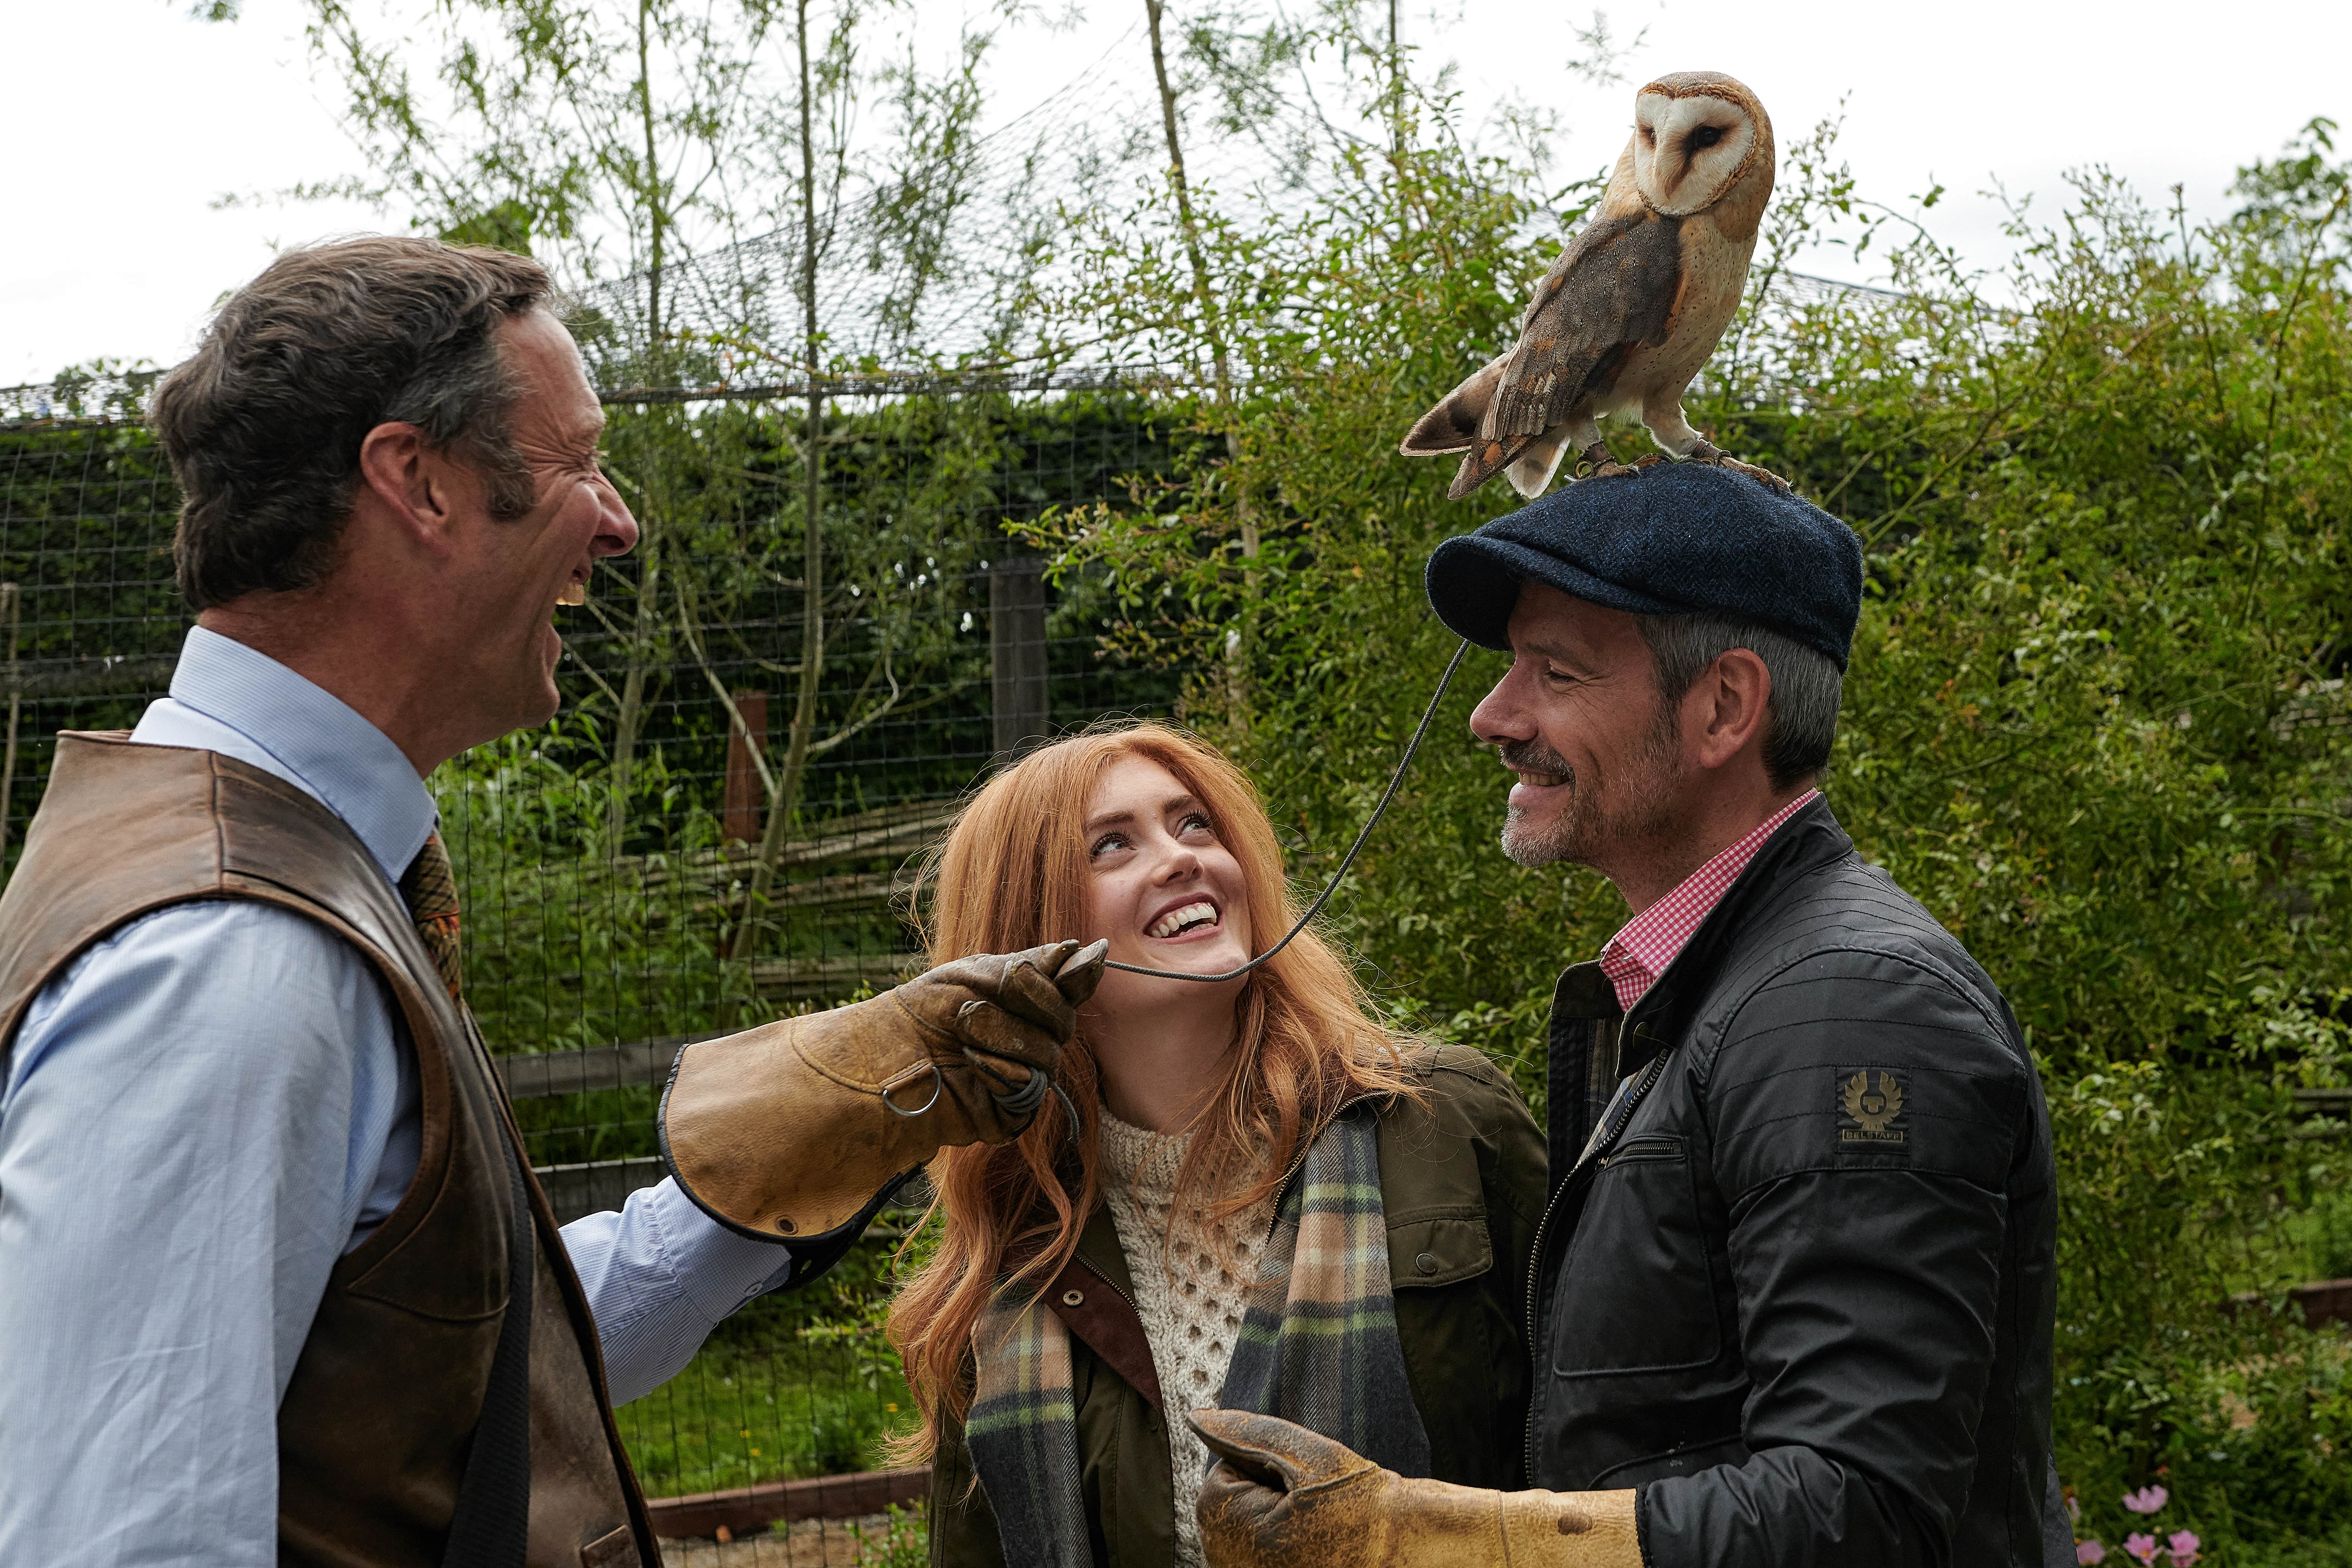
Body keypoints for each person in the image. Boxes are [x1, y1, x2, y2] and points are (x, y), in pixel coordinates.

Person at [0, 237, 1090, 1568]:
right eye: (579, 461)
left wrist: (767, 1178)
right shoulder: (227, 960)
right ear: (419, 482)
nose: (620, 520)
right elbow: (123, 1540)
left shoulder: (277, 868)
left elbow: (431, 1373)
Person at [1188, 463, 2065, 1568]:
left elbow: (1863, 1509)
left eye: (1555, 670)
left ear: (1723, 707)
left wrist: (1429, 1537)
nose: (1492, 716)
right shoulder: (1721, 992)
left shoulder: (1847, 1008)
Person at [793, 722, 1546, 1568]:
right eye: (1112, 845)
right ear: (1032, 940)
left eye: (1194, 824)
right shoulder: (1012, 1270)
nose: (1184, 855)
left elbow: (1603, 1447)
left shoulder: (1445, 1120)